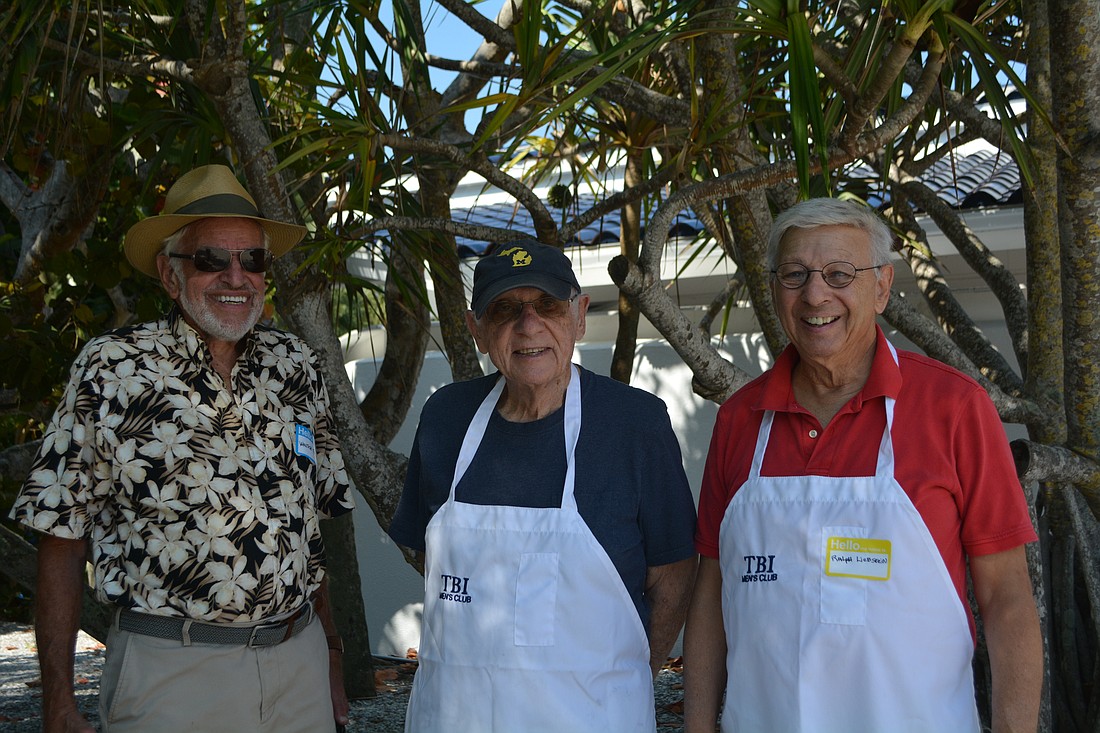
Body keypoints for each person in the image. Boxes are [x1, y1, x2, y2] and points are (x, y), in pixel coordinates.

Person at [10, 164, 355, 733]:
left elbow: (307, 532)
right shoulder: (113, 369)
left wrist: (332, 654)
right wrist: (58, 703)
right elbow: (61, 536)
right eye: (211, 259)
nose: (236, 276)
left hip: (300, 663)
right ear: (171, 277)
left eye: (253, 259)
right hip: (173, 673)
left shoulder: (295, 365)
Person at [683, 198, 1042, 733]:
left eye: (839, 274)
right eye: (795, 274)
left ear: (881, 286)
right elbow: (710, 595)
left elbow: (1007, 599)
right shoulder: (740, 420)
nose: (814, 294)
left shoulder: (954, 408)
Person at [388, 238, 698, 732]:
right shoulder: (446, 418)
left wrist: (626, 678)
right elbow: (432, 558)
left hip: (592, 716)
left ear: (578, 315)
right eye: (505, 309)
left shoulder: (635, 424)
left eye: (547, 306)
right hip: (453, 716)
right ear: (477, 330)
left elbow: (675, 573)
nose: (528, 325)